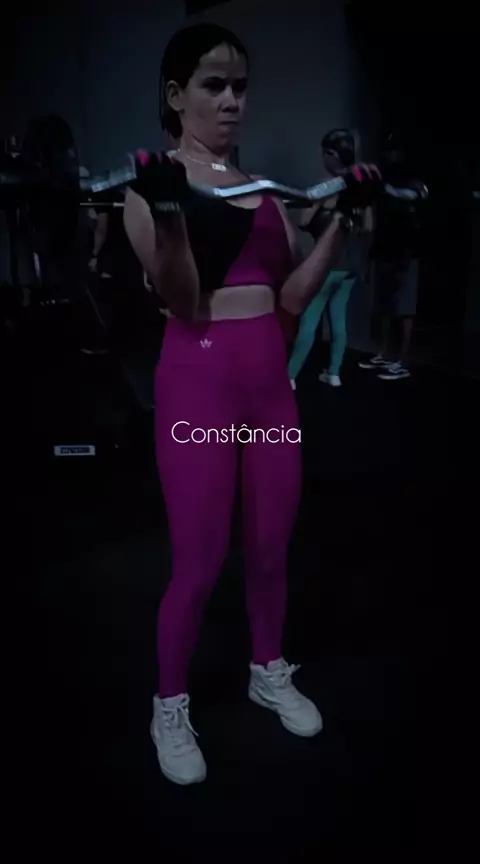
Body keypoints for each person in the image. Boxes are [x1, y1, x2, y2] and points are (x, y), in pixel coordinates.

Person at [123, 22, 380, 786]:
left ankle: (268, 669)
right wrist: (172, 215)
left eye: (240, 86)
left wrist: (342, 223)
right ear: (177, 95)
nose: (232, 100)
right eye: (214, 85)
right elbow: (181, 300)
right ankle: (169, 704)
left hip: (269, 390)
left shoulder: (264, 191)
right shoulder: (149, 188)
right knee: (201, 560)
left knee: (270, 548)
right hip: (198, 384)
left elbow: (293, 298)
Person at [288, 129, 373, 389]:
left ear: (332, 154)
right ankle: (334, 373)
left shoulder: (325, 187)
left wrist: (317, 203)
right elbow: (368, 226)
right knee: (338, 319)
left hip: (327, 265)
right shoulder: (361, 189)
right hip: (350, 267)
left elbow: (303, 222)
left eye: (325, 153)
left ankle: (289, 376)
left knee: (309, 320)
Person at [359, 134, 424, 380]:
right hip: (384, 250)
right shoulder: (383, 181)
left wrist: (391, 192)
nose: (389, 155)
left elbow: (416, 196)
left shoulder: (413, 182)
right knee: (384, 305)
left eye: (394, 151)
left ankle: (402, 362)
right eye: (387, 151)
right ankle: (385, 354)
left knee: (404, 309)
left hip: (407, 252)